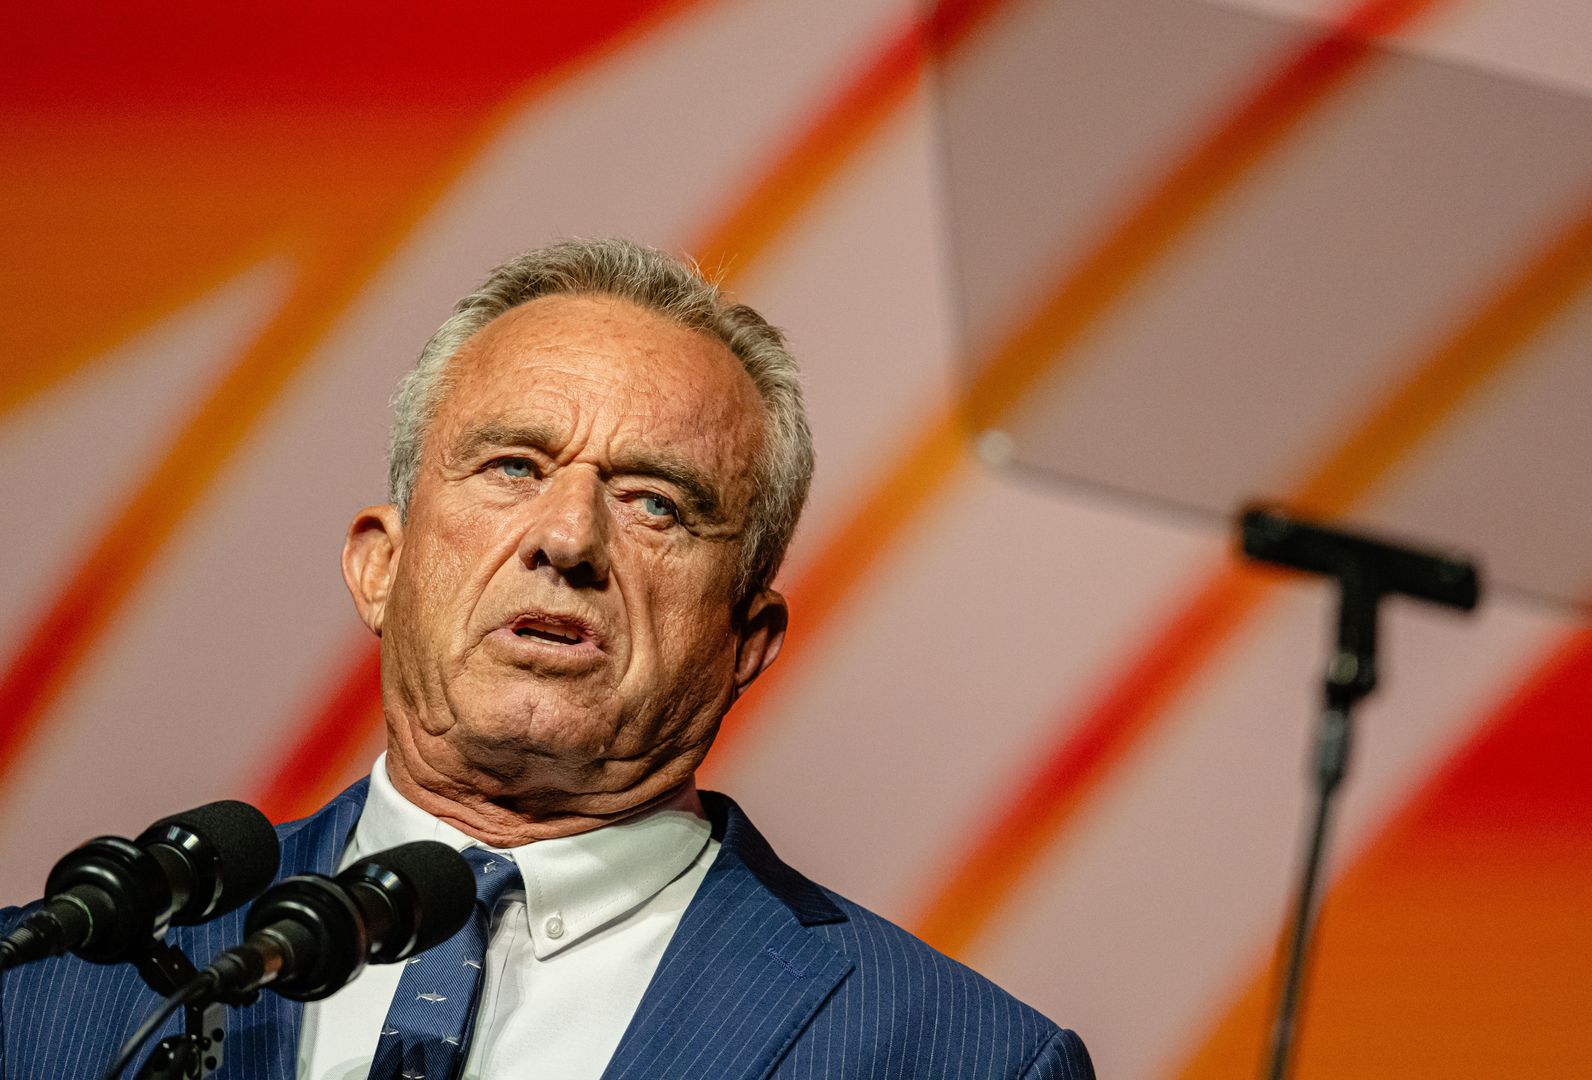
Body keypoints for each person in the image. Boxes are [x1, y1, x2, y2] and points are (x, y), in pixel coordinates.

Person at [0, 238, 1096, 1079]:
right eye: (514, 467)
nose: (568, 540)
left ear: (745, 643)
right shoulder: (53, 979)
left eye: (655, 502)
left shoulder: (957, 1056)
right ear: (380, 566)